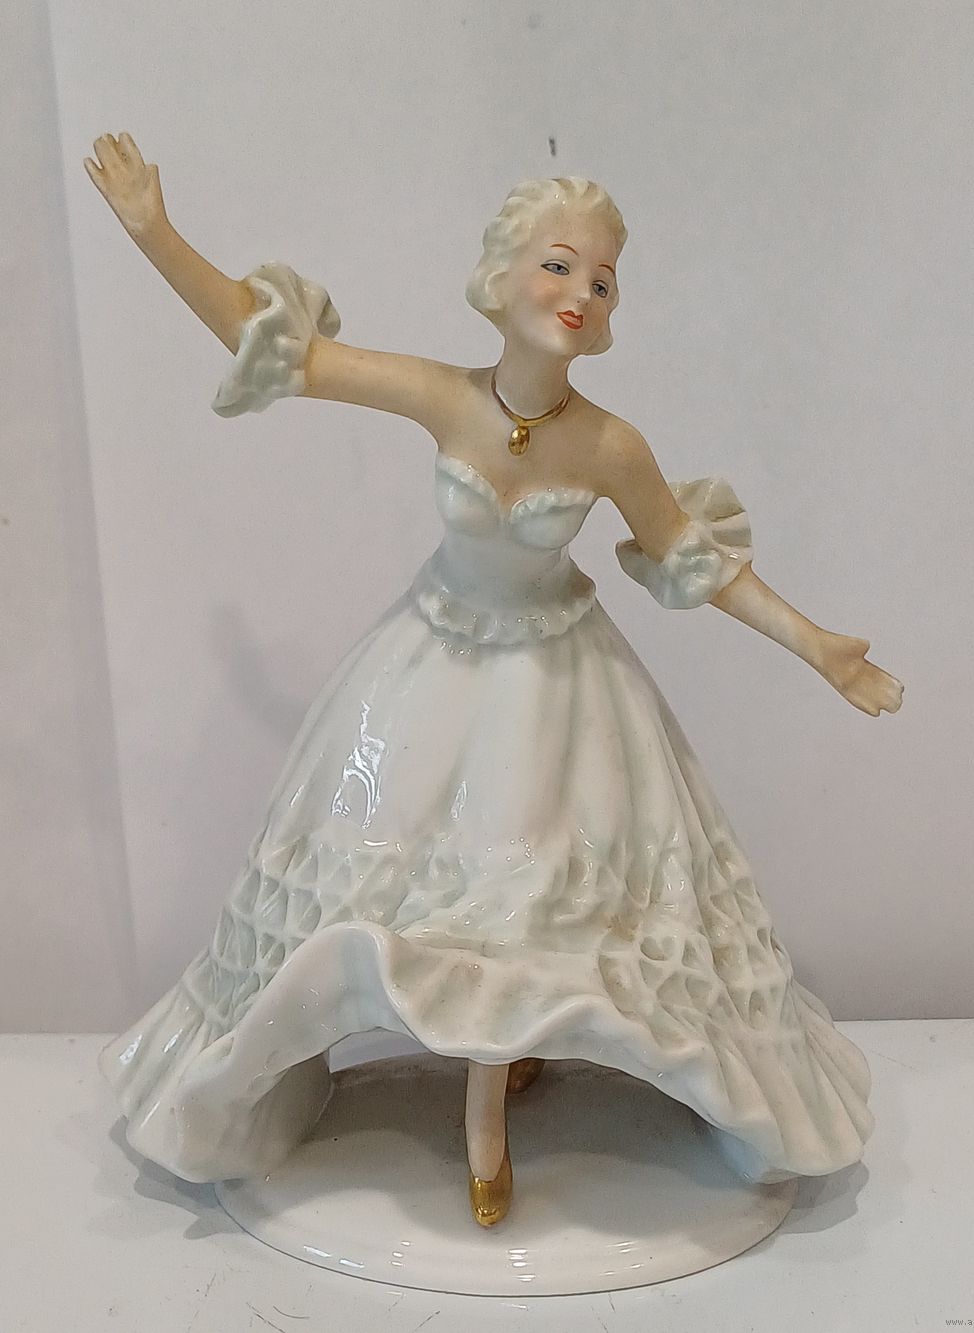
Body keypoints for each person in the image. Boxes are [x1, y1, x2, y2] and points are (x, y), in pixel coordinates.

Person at [85, 133, 903, 1227]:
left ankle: (490, 1098)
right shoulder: (443, 395)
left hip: (555, 687)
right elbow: (269, 341)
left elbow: (694, 562)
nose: (579, 293)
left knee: (522, 893)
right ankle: (424, 1076)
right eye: (558, 264)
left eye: (601, 279)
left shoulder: (609, 445)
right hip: (430, 664)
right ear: (503, 274)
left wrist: (816, 644)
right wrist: (155, 232)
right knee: (409, 886)